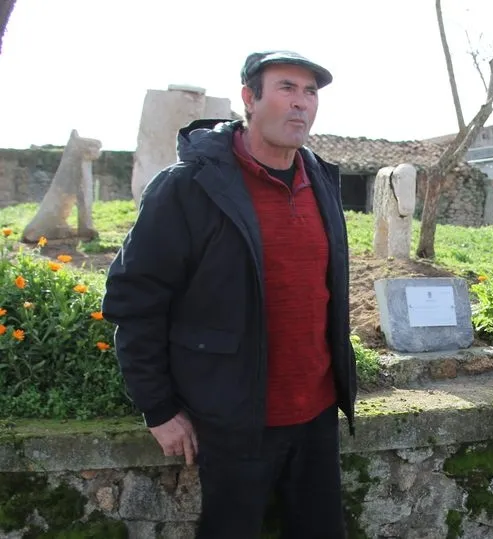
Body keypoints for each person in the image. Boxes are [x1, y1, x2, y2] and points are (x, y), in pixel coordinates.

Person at [101, 50, 357, 538]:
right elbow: (136, 301)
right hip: (231, 419)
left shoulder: (321, 179)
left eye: (310, 92)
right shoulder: (188, 187)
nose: (301, 103)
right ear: (249, 99)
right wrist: (158, 408)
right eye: (286, 88)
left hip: (317, 413)